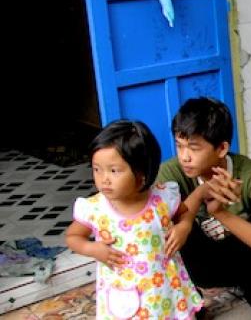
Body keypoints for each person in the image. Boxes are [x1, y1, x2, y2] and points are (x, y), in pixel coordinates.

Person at [156, 97, 251, 320]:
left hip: (238, 256)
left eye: (194, 148)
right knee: (171, 231)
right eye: (179, 145)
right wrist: (201, 193)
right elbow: (156, 228)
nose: (184, 156)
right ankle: (191, 303)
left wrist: (220, 212)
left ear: (222, 148)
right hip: (199, 262)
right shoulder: (171, 174)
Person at [65, 120, 203, 319]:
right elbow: (73, 236)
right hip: (124, 295)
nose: (104, 179)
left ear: (142, 173)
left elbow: (184, 213)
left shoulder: (162, 199)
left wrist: (184, 226)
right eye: (97, 169)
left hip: (164, 289)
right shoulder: (95, 209)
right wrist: (92, 249)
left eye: (114, 171)